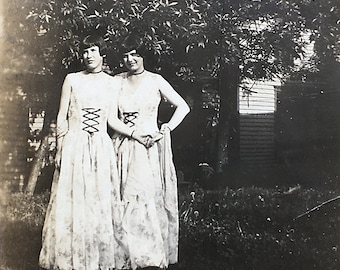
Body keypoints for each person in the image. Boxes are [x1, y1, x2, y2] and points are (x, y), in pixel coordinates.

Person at [39, 35, 147, 270]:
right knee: (74, 198)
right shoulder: (72, 79)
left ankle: (97, 256)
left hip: (100, 146)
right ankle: (71, 256)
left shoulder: (112, 83)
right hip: (74, 144)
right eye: (85, 51)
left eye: (93, 50)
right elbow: (62, 116)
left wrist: (134, 134)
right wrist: (60, 148)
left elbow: (111, 120)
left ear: (102, 55)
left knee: (99, 201)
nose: (88, 55)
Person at [111, 36, 190, 270]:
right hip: (125, 141)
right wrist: (132, 133)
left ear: (143, 56)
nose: (130, 59)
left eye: (134, 54)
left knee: (147, 195)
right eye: (126, 56)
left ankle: (149, 252)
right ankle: (125, 251)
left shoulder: (156, 80)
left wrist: (165, 128)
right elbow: (111, 117)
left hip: (151, 145)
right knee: (124, 195)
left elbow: (183, 106)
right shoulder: (116, 81)